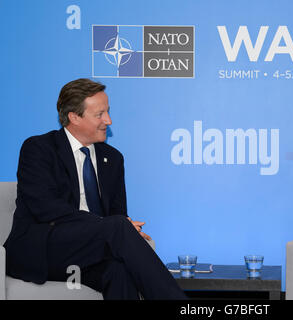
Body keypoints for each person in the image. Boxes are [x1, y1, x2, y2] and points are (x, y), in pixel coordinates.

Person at [3, 78, 186, 300]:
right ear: (74, 117)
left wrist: (118, 226)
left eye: (107, 112)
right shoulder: (39, 149)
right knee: (118, 226)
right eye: (99, 114)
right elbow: (46, 209)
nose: (108, 120)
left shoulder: (113, 159)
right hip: (43, 249)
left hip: (90, 251)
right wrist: (112, 226)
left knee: (119, 270)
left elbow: (117, 213)